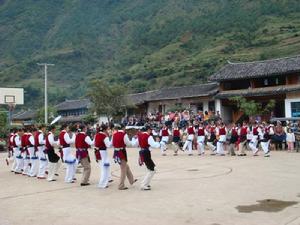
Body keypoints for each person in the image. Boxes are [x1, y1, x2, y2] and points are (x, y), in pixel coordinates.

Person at [112, 124, 137, 190]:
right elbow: (129, 144)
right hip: (121, 152)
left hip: (116, 152)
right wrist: (133, 140)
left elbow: (112, 143)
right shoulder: (124, 134)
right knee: (123, 169)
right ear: (123, 128)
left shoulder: (114, 134)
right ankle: (121, 185)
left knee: (126, 166)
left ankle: (131, 180)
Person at [137, 125, 160, 190]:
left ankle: (146, 183)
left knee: (151, 169)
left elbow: (135, 144)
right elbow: (154, 145)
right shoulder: (148, 136)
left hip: (142, 152)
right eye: (150, 130)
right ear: (148, 130)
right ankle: (143, 184)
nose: (151, 131)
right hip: (146, 153)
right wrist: (158, 142)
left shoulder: (140, 135)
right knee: (152, 170)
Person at [94, 124, 112, 188]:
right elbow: (108, 145)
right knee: (104, 168)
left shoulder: (97, 135)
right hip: (103, 152)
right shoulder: (104, 136)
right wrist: (112, 138)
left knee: (102, 168)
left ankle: (104, 182)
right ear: (105, 129)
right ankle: (102, 183)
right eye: (107, 129)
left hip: (98, 152)